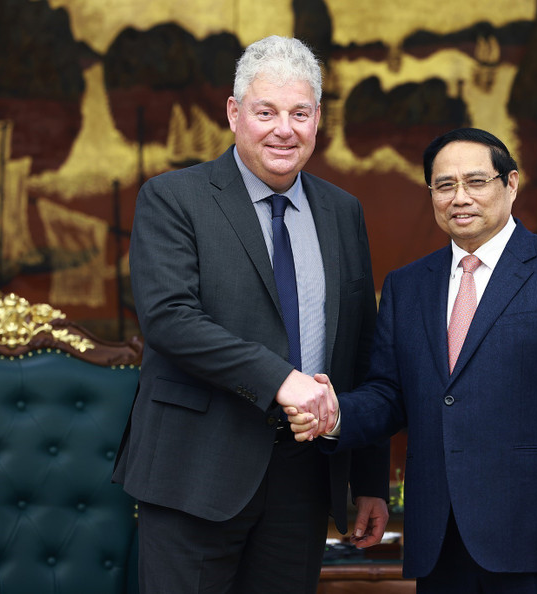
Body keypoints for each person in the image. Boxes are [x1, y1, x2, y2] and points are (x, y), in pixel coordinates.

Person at [288, 127, 537, 593]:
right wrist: (336, 415)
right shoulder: (408, 286)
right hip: (440, 539)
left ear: (510, 184)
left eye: (476, 181)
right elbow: (389, 394)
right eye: (444, 185)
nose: (459, 197)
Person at [113, 35, 390, 594]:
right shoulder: (173, 198)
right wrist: (280, 380)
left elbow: (361, 348)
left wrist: (369, 480)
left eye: (299, 113)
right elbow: (169, 319)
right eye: (266, 112)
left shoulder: (342, 211)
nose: (283, 129)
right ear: (235, 114)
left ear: (318, 120)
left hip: (303, 480)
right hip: (195, 472)